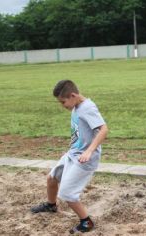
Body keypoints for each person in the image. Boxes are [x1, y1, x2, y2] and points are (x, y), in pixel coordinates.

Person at [31, 80, 108, 234]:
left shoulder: (87, 108)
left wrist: (89, 151)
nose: (62, 106)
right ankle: (51, 205)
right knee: (51, 179)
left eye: (63, 102)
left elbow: (104, 129)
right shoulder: (76, 106)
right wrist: (72, 149)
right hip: (73, 154)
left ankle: (87, 222)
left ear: (73, 95)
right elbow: (80, 133)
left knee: (67, 193)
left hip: (85, 159)